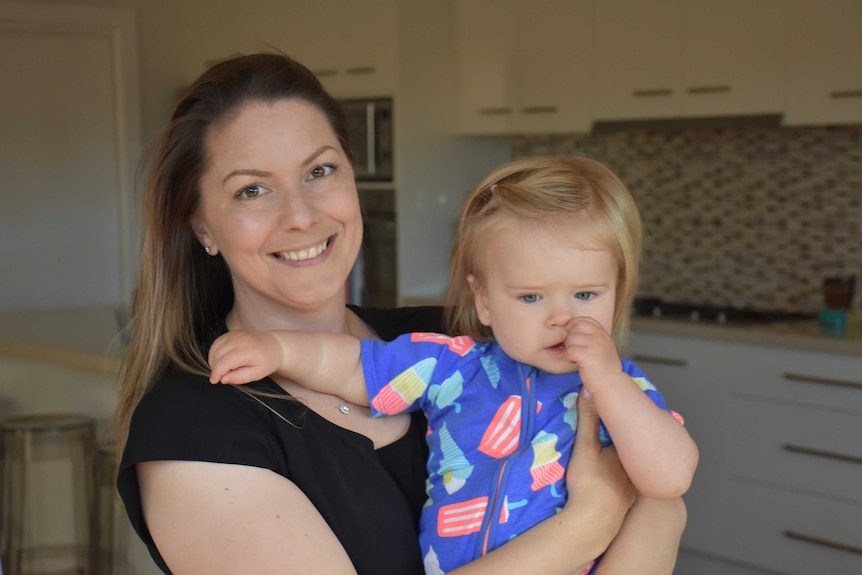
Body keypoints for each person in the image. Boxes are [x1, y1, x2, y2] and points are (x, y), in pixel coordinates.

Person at [113, 51, 688, 575]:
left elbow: (665, 505)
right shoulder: (196, 430)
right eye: (252, 191)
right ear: (201, 226)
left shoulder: (461, 340)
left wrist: (651, 506)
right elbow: (637, 513)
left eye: (319, 171)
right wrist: (590, 522)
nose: (302, 216)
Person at [209, 156, 699, 574]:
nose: (561, 318)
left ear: (618, 295)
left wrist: (610, 385)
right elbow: (358, 366)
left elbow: (670, 479)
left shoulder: (622, 392)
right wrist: (278, 350)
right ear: (484, 301)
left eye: (586, 294)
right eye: (530, 296)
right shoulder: (453, 366)